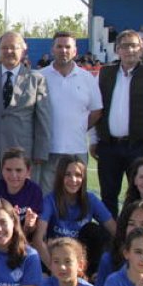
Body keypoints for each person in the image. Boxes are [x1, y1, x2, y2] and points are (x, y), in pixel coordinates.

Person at [92, 29, 143, 216]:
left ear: (141, 49)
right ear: (118, 50)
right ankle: (110, 240)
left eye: (134, 45)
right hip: (109, 146)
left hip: (139, 147)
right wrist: (93, 140)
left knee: (137, 196)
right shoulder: (104, 74)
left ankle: (134, 235)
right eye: (125, 46)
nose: (130, 50)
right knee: (108, 195)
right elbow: (94, 109)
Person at [0, 31, 51, 185]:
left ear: (23, 51)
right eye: (4, 48)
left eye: (13, 47)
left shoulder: (36, 79)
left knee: (24, 203)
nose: (9, 51)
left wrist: (41, 152)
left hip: (24, 154)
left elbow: (43, 118)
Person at [37, 32, 102, 190]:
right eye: (59, 46)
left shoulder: (87, 78)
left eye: (68, 47)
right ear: (53, 49)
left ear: (75, 51)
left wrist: (79, 127)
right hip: (47, 151)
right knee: (47, 199)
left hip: (76, 150)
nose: (63, 50)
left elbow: (96, 111)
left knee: (76, 198)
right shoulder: (39, 76)